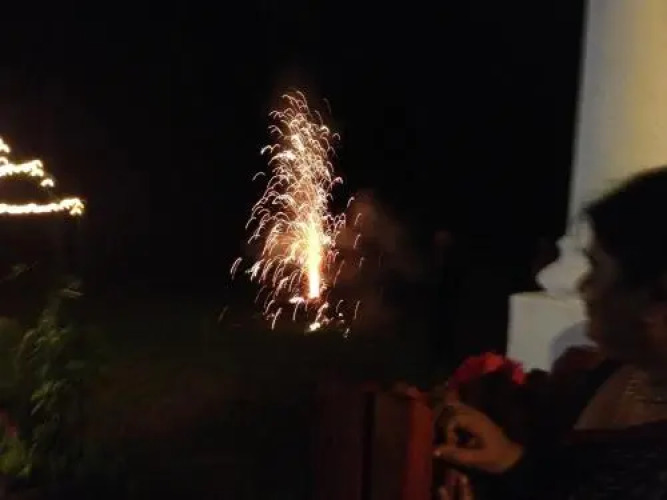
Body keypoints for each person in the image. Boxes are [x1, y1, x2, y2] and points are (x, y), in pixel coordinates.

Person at [433, 166, 667, 499]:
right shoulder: (612, 374)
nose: (583, 287)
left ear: (654, 295)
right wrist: (509, 461)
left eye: (597, 268)